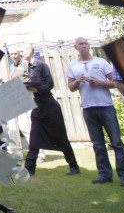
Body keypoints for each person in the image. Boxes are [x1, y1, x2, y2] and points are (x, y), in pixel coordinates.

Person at [65, 37, 124, 186]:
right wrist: (78, 81)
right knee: (98, 144)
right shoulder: (73, 66)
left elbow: (115, 82)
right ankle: (104, 174)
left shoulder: (101, 62)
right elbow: (70, 87)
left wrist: (99, 82)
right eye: (80, 44)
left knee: (116, 142)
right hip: (88, 108)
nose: (84, 46)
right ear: (75, 47)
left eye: (86, 44)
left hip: (105, 106)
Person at [22, 45, 80, 176]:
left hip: (50, 107)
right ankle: (29, 169)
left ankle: (74, 166)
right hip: (37, 107)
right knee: (34, 137)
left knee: (60, 137)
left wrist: (37, 89)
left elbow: (50, 84)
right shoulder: (28, 68)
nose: (21, 53)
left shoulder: (42, 66)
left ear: (30, 51)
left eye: (23, 50)